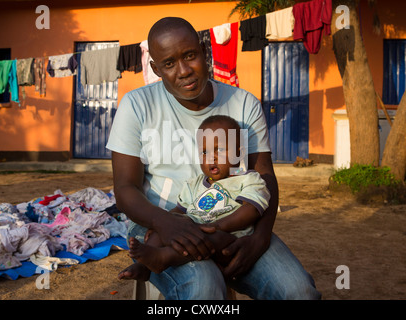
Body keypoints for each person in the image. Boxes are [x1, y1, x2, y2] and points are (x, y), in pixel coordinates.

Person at [106, 16, 321, 300]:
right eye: (169, 64)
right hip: (160, 221)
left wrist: (260, 238)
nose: (183, 71)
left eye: (190, 56)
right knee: (204, 290)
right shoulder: (137, 106)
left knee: (299, 291)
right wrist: (165, 223)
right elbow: (124, 188)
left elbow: (264, 175)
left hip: (235, 222)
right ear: (156, 69)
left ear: (205, 52)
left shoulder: (243, 104)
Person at [122, 115, 271, 280]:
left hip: (229, 239)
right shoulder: (194, 184)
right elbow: (180, 209)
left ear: (239, 153)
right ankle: (144, 266)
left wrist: (218, 226)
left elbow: (252, 209)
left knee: (215, 238)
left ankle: (165, 258)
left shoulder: (248, 179)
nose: (211, 157)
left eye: (219, 150)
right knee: (165, 231)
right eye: (204, 152)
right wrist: (164, 223)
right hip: (193, 232)